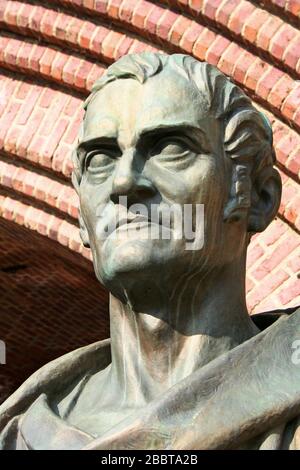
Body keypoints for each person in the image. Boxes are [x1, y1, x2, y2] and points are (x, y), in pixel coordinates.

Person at [0, 53, 299, 450]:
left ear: (257, 198)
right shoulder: (18, 434)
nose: (124, 183)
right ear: (82, 219)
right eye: (100, 159)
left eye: (171, 148)